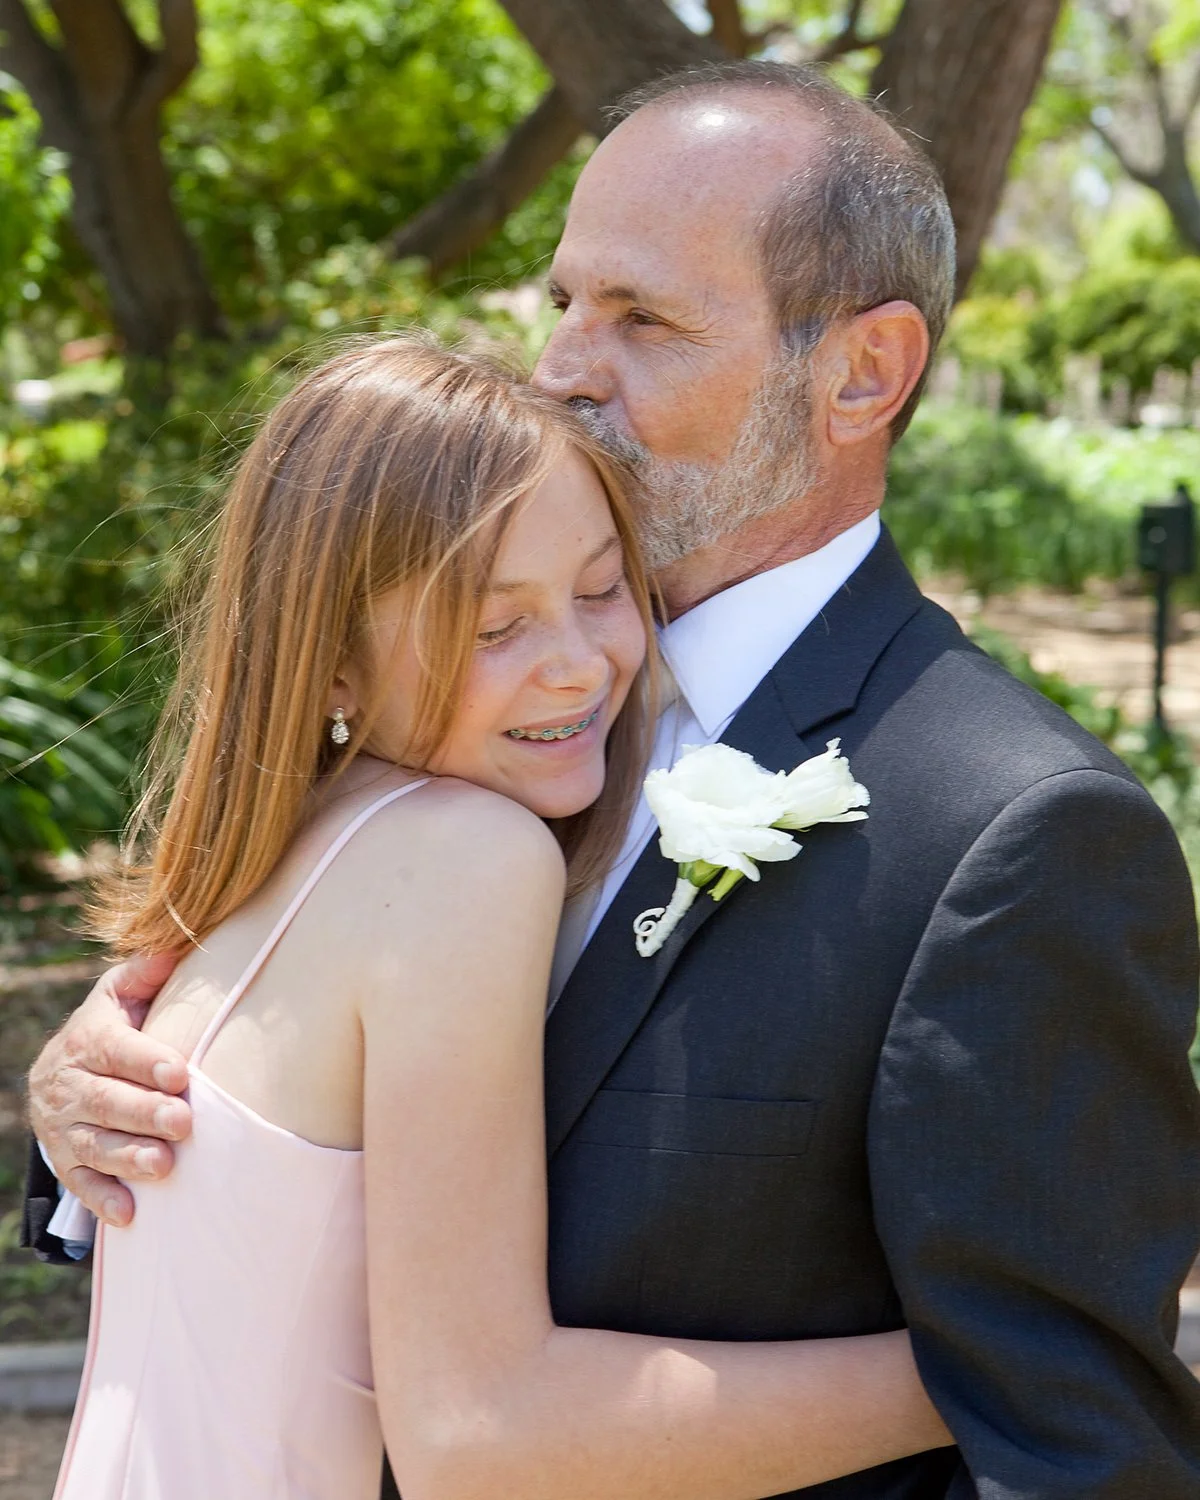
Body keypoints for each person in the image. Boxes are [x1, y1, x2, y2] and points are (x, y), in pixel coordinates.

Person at [27, 59, 1200, 1500]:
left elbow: (1070, 1438)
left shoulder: (1013, 836)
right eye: (566, 304)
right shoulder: (435, 711)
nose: (568, 366)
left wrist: (983, 1365)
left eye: (642, 317)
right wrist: (122, 1088)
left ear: (863, 372)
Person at [46, 336, 950, 1500]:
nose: (578, 665)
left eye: (600, 590)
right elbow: (480, 1438)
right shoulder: (465, 854)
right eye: (494, 628)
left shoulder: (286, 847)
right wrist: (965, 1367)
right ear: (330, 666)